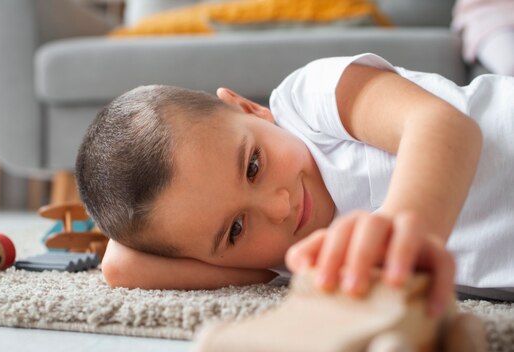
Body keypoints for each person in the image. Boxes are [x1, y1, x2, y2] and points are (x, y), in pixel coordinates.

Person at [75, 53, 514, 316]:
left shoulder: (310, 101)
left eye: (252, 166)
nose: (279, 208)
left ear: (250, 109)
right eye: (235, 229)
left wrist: (405, 226)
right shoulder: (292, 254)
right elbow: (121, 265)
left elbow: (443, 126)